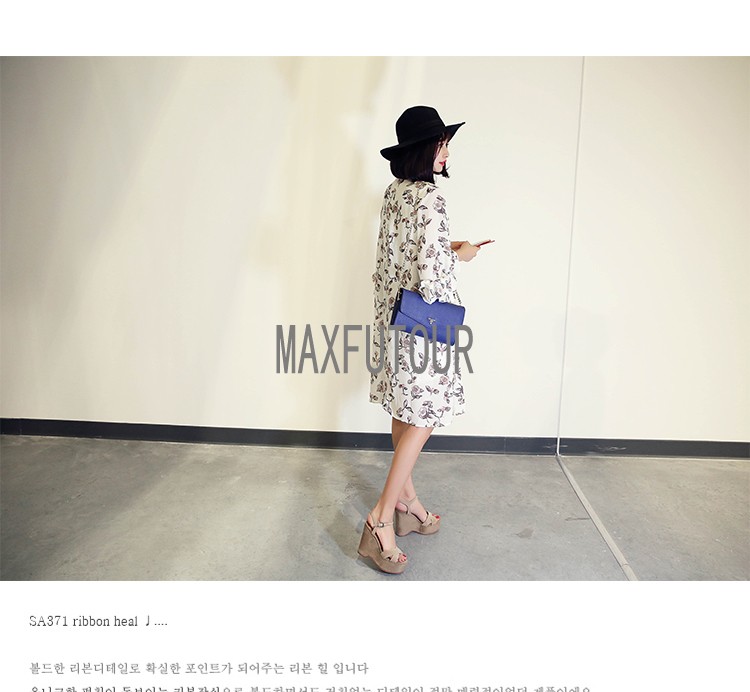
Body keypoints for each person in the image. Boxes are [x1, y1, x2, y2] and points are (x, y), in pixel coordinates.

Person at [358, 105, 483, 574]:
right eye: (440, 144)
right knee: (425, 414)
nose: (446, 152)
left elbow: (401, 254)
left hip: (392, 316)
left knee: (405, 411)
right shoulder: (431, 199)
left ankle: (408, 505)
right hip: (422, 327)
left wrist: (448, 247)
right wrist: (461, 256)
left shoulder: (395, 193)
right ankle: (380, 519)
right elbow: (431, 277)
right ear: (422, 150)